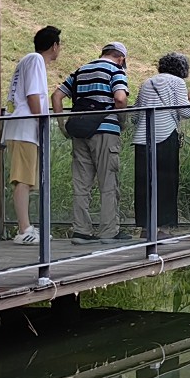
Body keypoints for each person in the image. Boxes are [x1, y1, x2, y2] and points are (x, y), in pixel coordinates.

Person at [58, 39, 130, 243]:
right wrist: (121, 121)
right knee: (108, 182)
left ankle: (81, 231)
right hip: (106, 132)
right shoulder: (116, 71)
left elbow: (57, 96)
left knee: (81, 183)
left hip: (80, 132)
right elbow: (120, 99)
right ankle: (109, 231)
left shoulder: (81, 70)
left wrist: (63, 125)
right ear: (121, 58)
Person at [3, 25, 62, 245]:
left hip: (20, 126)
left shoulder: (28, 60)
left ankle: (26, 226)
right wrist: (42, 121)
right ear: (54, 46)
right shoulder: (36, 60)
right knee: (23, 179)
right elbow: (33, 95)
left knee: (25, 180)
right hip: (25, 127)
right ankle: (23, 229)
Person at [132, 52, 190, 237]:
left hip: (142, 138)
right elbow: (186, 112)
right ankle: (163, 228)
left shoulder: (146, 82)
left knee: (144, 183)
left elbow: (135, 116)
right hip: (166, 136)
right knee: (166, 182)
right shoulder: (177, 82)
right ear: (182, 69)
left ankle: (146, 228)